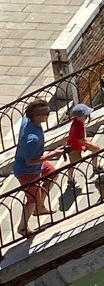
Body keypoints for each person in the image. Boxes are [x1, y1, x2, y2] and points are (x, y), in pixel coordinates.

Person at [14, 100, 60, 237]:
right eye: (47, 113)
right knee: (32, 199)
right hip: (27, 171)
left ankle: (40, 207)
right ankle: (22, 227)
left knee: (52, 173)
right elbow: (30, 161)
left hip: (36, 164)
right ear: (37, 116)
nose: (49, 114)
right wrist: (53, 154)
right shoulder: (32, 139)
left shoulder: (27, 121)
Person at [65, 103, 104, 185]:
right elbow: (80, 140)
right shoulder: (76, 127)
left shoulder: (80, 122)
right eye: (85, 116)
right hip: (74, 147)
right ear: (79, 117)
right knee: (73, 163)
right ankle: (70, 178)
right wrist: (89, 144)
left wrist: (88, 141)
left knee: (95, 149)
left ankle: (95, 167)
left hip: (81, 143)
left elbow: (83, 133)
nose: (87, 117)